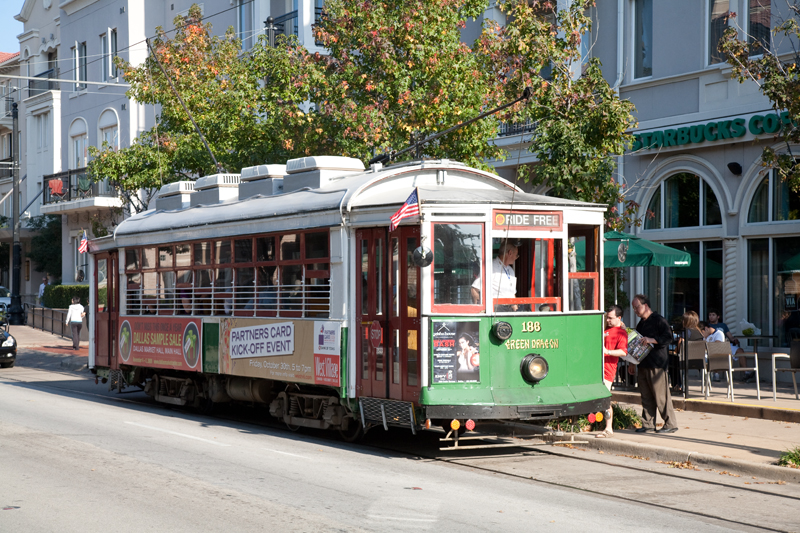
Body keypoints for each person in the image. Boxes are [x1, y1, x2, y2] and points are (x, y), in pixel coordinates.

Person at [632, 294, 679, 434]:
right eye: (633, 308)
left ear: (645, 305)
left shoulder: (659, 320)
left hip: (657, 364)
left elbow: (668, 337)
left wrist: (651, 339)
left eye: (637, 307)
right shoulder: (641, 323)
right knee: (646, 396)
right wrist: (632, 362)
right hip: (643, 363)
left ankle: (670, 423)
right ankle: (648, 424)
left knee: (661, 396)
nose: (635, 310)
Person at [597, 304, 627, 438]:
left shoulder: (621, 333)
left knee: (605, 399)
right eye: (607, 317)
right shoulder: (607, 329)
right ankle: (600, 425)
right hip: (598, 368)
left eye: (610, 318)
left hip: (607, 369)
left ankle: (609, 428)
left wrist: (607, 351)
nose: (608, 320)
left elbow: (623, 352)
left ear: (619, 318)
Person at [471, 241, 518, 311]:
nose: (516, 258)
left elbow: (512, 293)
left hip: (509, 310)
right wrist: (481, 309)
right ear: (510, 253)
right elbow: (474, 289)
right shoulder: (491, 267)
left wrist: (516, 309)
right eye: (516, 255)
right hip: (496, 309)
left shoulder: (511, 270)